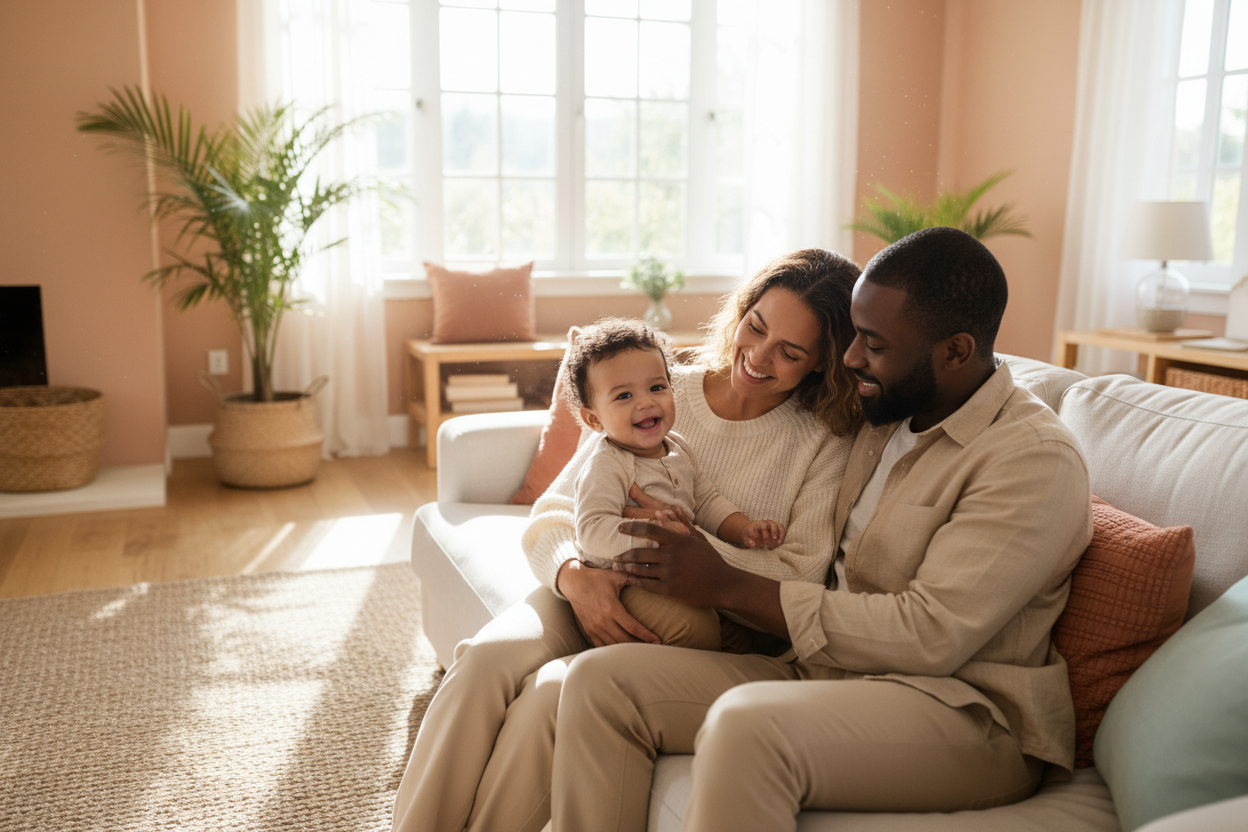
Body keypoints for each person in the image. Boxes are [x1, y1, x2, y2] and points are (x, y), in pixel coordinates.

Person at [549, 226, 1094, 832]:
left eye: (874, 344)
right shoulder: (883, 415)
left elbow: (931, 635)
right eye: (855, 336)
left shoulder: (1030, 459)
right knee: (600, 684)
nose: (851, 357)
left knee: (747, 725)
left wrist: (725, 584)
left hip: (966, 713)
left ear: (956, 351)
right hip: (822, 670)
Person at [391, 249, 863, 832]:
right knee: (484, 662)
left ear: (821, 363)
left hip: (697, 622)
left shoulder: (824, 442)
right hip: (589, 578)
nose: (758, 357)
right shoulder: (662, 391)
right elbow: (557, 510)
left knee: (548, 698)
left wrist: (692, 557)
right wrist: (574, 576)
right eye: (756, 327)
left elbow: (800, 574)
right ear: (741, 312)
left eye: (790, 352)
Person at [564, 316, 787, 652]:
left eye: (657, 387)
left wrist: (743, 530)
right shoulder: (608, 462)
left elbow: (707, 500)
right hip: (625, 581)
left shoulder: (678, 445)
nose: (645, 402)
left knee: (726, 631)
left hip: (670, 573)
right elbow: (592, 530)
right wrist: (659, 540)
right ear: (594, 419)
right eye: (624, 395)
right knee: (694, 631)